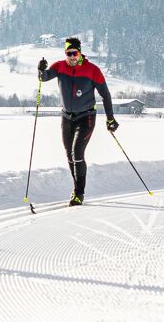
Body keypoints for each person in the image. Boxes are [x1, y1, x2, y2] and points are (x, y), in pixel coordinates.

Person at [37, 37, 118, 205]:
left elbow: (106, 95)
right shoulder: (60, 66)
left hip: (86, 117)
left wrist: (110, 118)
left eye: (75, 53)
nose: (72, 57)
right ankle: (76, 189)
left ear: (80, 53)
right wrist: (41, 70)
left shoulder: (92, 70)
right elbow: (44, 78)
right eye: (69, 53)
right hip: (67, 117)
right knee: (69, 155)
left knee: (77, 152)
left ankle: (79, 193)